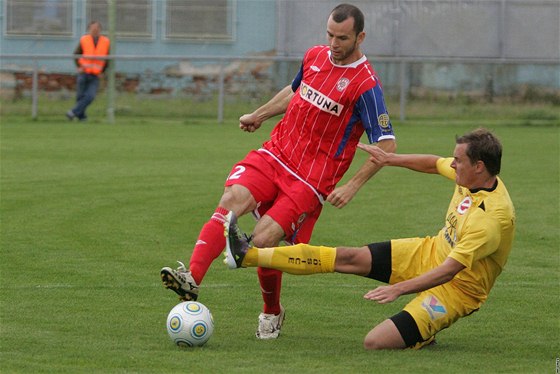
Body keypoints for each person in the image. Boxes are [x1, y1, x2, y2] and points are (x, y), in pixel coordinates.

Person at [160, 3, 396, 340]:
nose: (333, 43)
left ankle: (272, 312)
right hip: (276, 153)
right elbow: (295, 91)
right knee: (231, 200)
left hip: (310, 180)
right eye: (329, 34)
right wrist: (259, 114)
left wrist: (353, 185)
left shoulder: (365, 85)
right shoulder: (314, 55)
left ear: (360, 36)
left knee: (266, 240)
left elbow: (387, 145)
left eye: (342, 38)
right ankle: (192, 278)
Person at [224, 128, 516, 349]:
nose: (452, 164)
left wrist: (399, 288)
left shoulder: (490, 218)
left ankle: (425, 333)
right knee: (348, 257)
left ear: (479, 166)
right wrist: (389, 159)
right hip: (429, 251)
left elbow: (451, 270)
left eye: (458, 160)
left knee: (375, 342)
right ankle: (246, 254)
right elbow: (431, 163)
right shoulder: (470, 177)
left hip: (457, 289)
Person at [66, 21, 110, 122]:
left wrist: (103, 71)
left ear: (100, 30)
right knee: (80, 96)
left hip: (95, 75)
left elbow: (107, 59)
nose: (95, 31)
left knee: (90, 96)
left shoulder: (105, 41)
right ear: (89, 29)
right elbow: (76, 54)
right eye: (92, 29)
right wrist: (79, 67)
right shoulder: (84, 40)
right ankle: (82, 117)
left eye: (97, 29)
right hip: (84, 73)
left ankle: (72, 112)